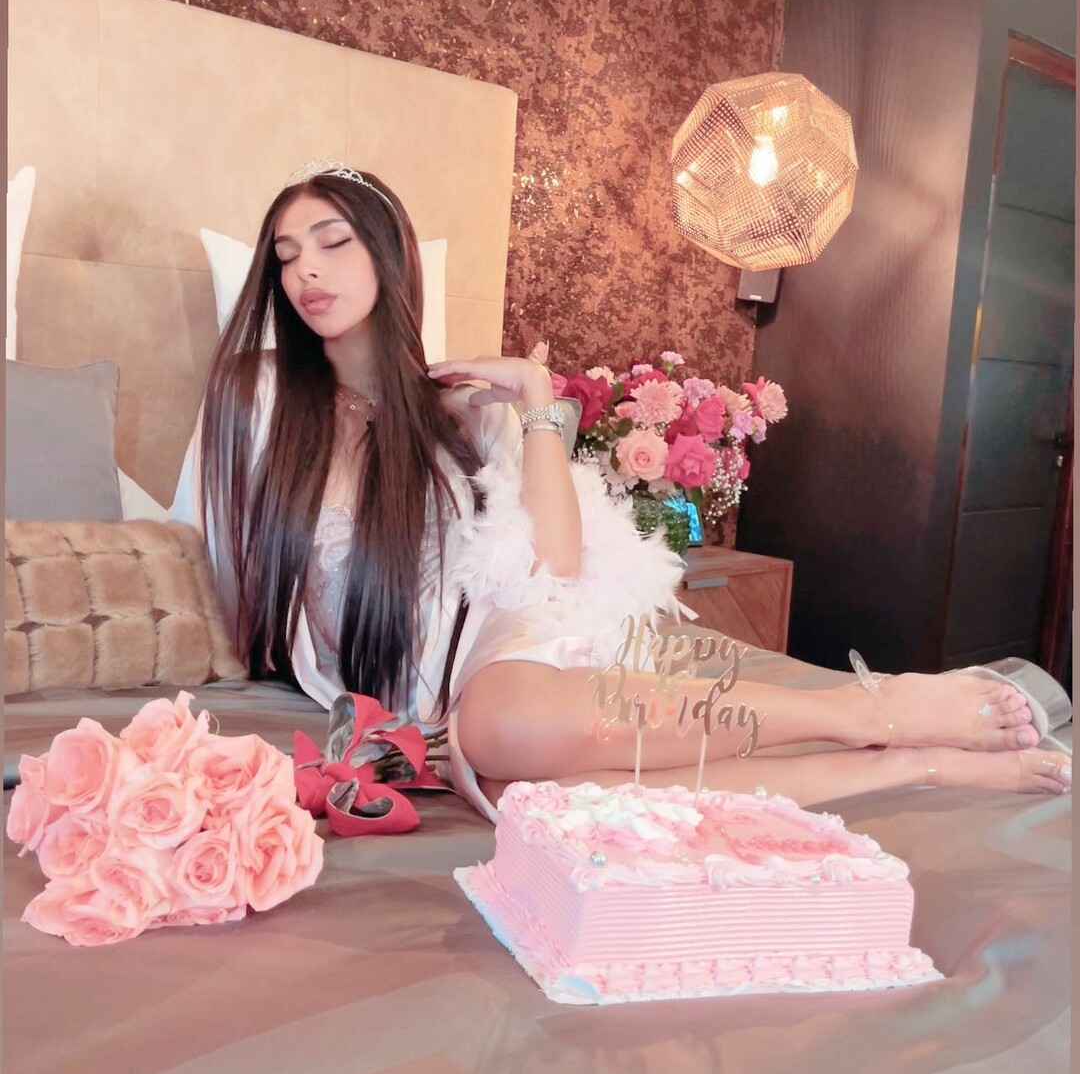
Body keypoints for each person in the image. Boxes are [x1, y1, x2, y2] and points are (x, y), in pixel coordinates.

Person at [172, 163, 1071, 825]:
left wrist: (535, 398)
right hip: (408, 685)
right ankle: (906, 764)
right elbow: (202, 541)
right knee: (537, 798)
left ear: (389, 256)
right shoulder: (256, 394)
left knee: (501, 724)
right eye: (286, 255)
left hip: (497, 648)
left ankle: (866, 711)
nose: (307, 271)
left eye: (334, 242)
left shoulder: (461, 410)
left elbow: (554, 565)